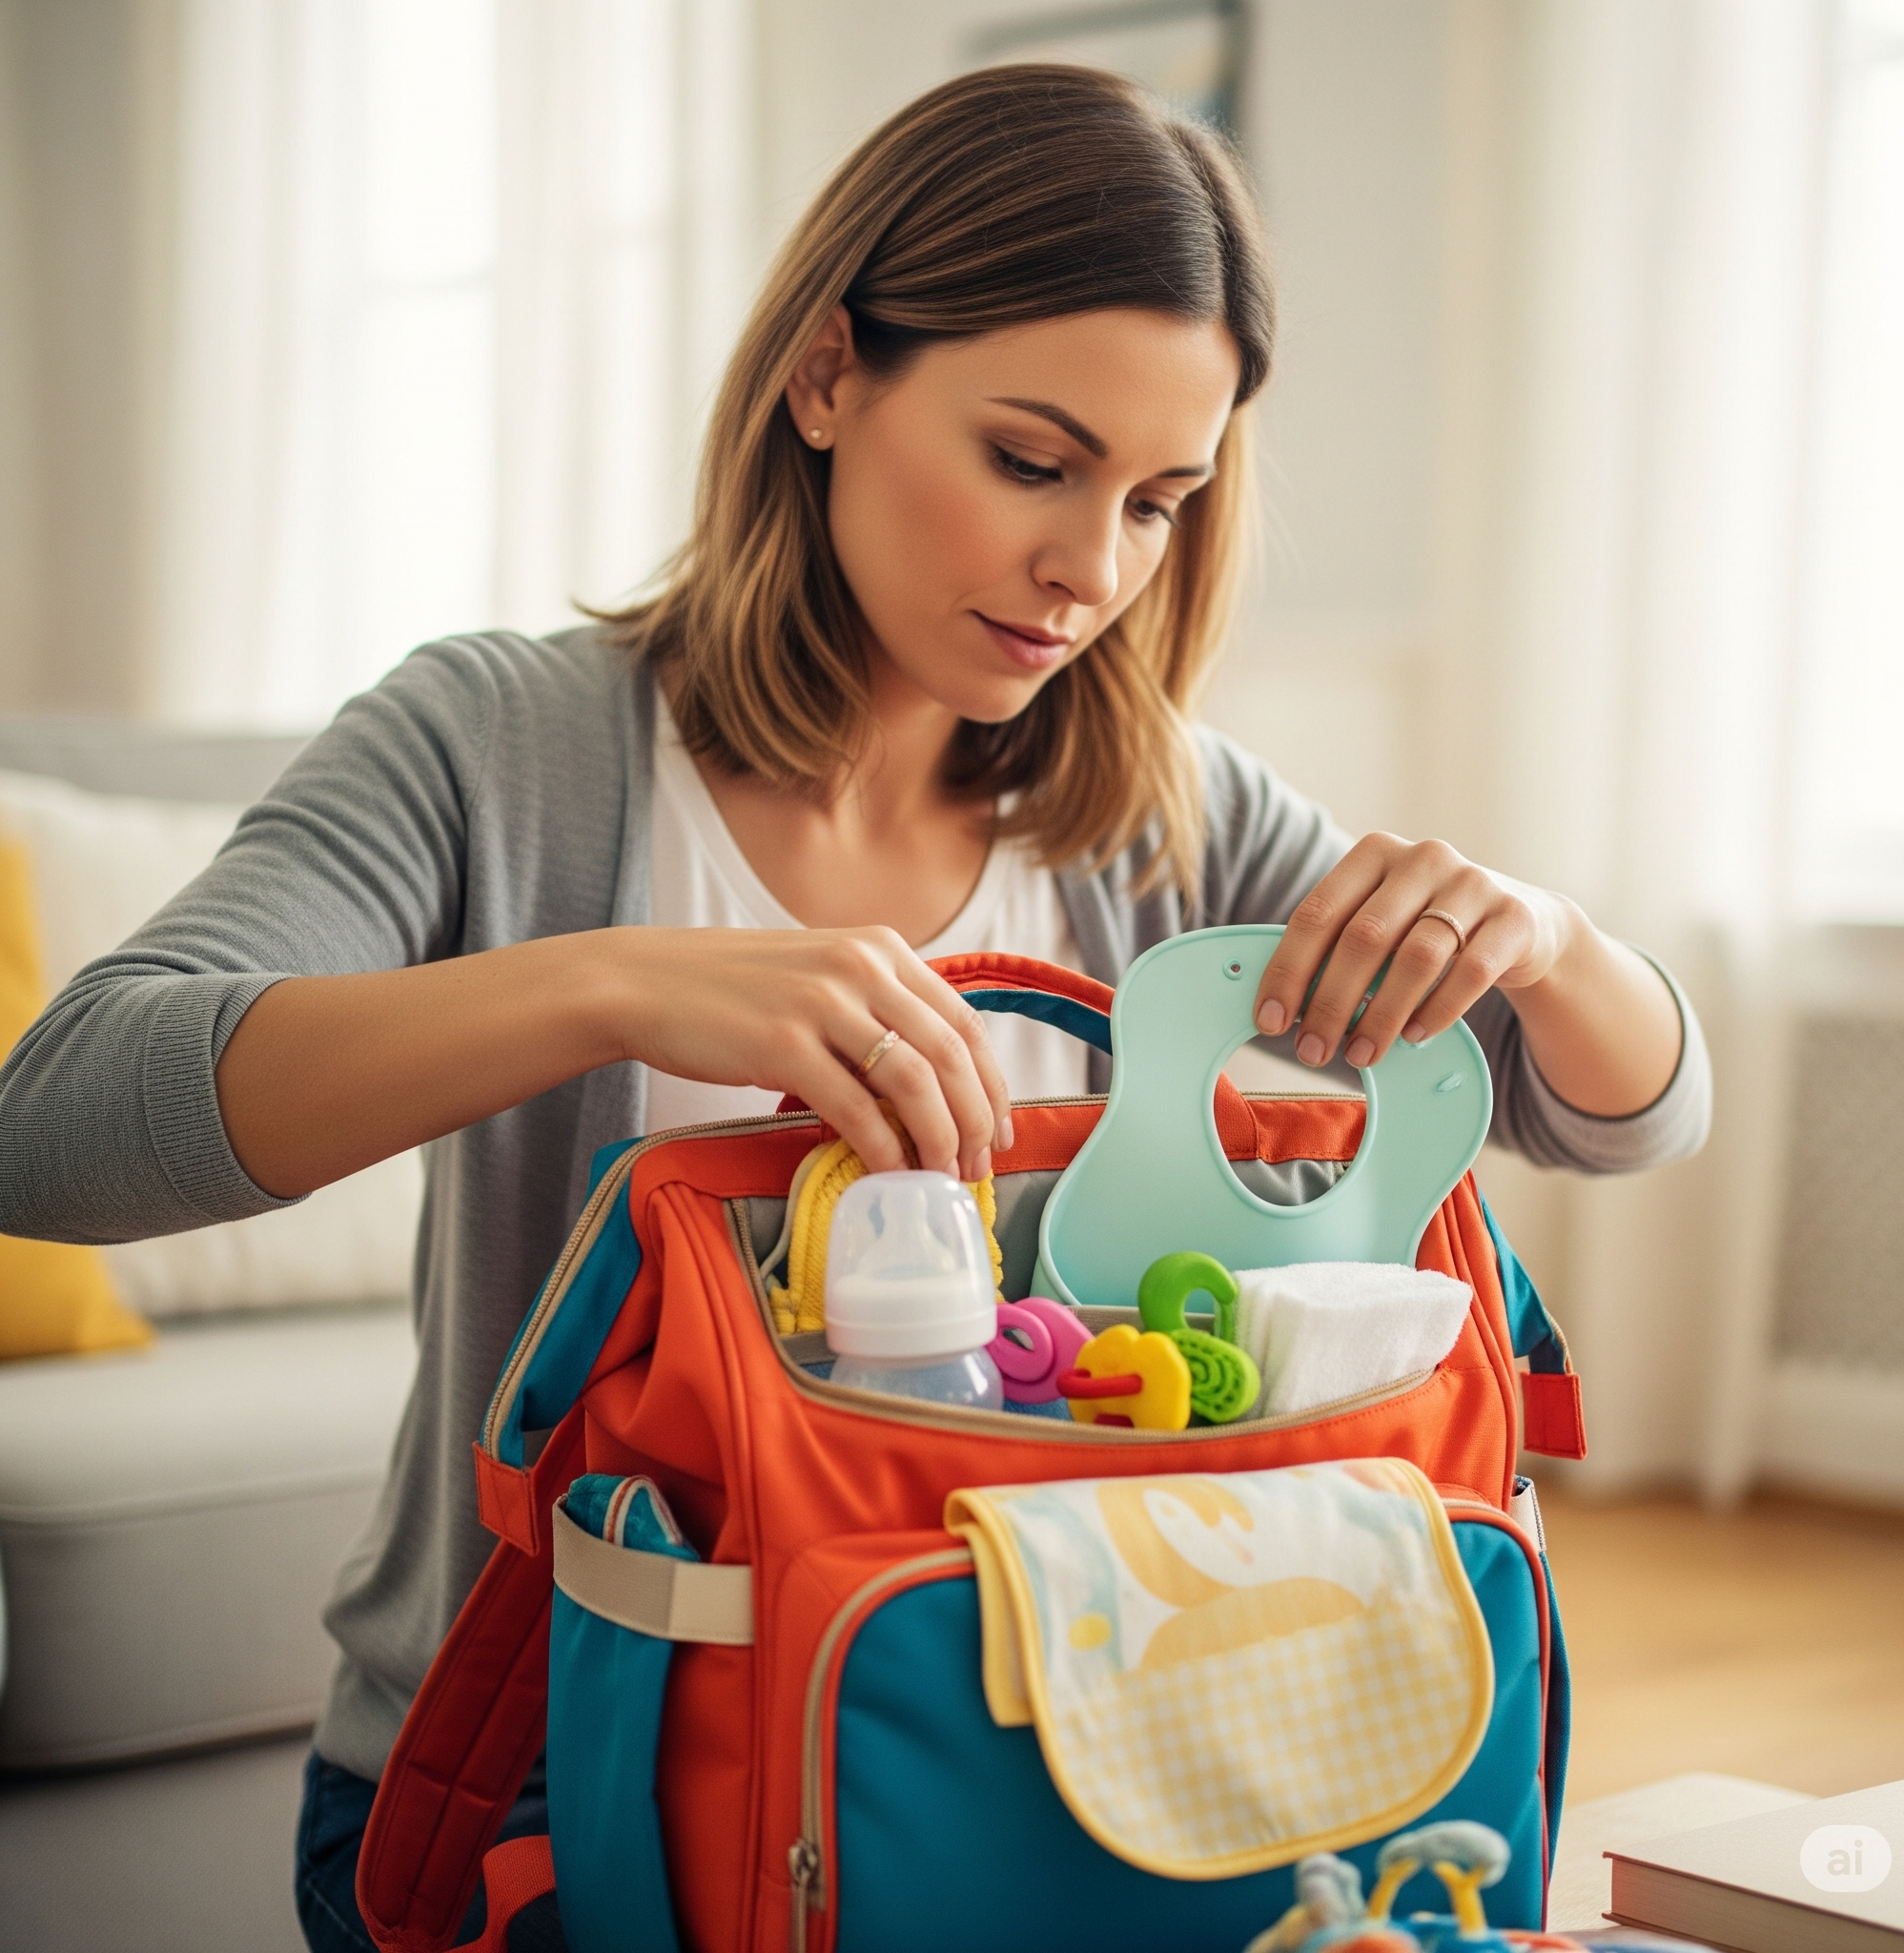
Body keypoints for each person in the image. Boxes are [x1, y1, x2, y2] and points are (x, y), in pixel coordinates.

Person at [0, 65, 1707, 1953]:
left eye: (1159, 498)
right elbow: (57, 1123)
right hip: (556, 1807)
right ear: (826, 374)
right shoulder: (504, 748)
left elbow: (1617, 1109)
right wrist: (615, 981)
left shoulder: (1166, 817)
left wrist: (1549, 938)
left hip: (1055, 1777)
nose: (1093, 570)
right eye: (1032, 460)